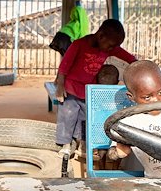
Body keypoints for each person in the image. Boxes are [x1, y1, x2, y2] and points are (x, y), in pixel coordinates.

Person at [55, 19, 136, 156]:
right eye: (110, 46)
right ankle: (66, 144)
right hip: (71, 89)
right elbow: (65, 65)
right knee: (67, 116)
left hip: (88, 92)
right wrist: (60, 85)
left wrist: (138, 65)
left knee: (85, 119)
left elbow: (128, 57)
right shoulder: (78, 44)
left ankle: (82, 145)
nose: (112, 49)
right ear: (100, 36)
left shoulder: (108, 47)